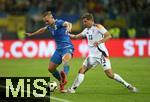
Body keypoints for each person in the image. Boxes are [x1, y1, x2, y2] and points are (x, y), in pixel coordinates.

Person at [67, 13, 138, 93]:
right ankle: (72, 89)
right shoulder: (86, 30)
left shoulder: (98, 27)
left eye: (85, 21)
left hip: (101, 55)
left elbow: (108, 36)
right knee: (81, 70)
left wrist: (100, 41)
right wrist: (68, 34)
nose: (84, 23)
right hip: (92, 56)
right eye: (83, 22)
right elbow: (76, 37)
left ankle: (127, 85)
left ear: (91, 20)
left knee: (110, 74)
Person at [25, 11, 74, 92]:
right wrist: (31, 34)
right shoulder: (50, 26)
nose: (46, 22)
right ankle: (61, 80)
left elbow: (68, 23)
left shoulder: (59, 22)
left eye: (47, 21)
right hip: (58, 50)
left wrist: (69, 28)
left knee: (65, 60)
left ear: (51, 17)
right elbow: (42, 30)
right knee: (51, 68)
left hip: (67, 47)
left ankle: (64, 77)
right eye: (45, 21)